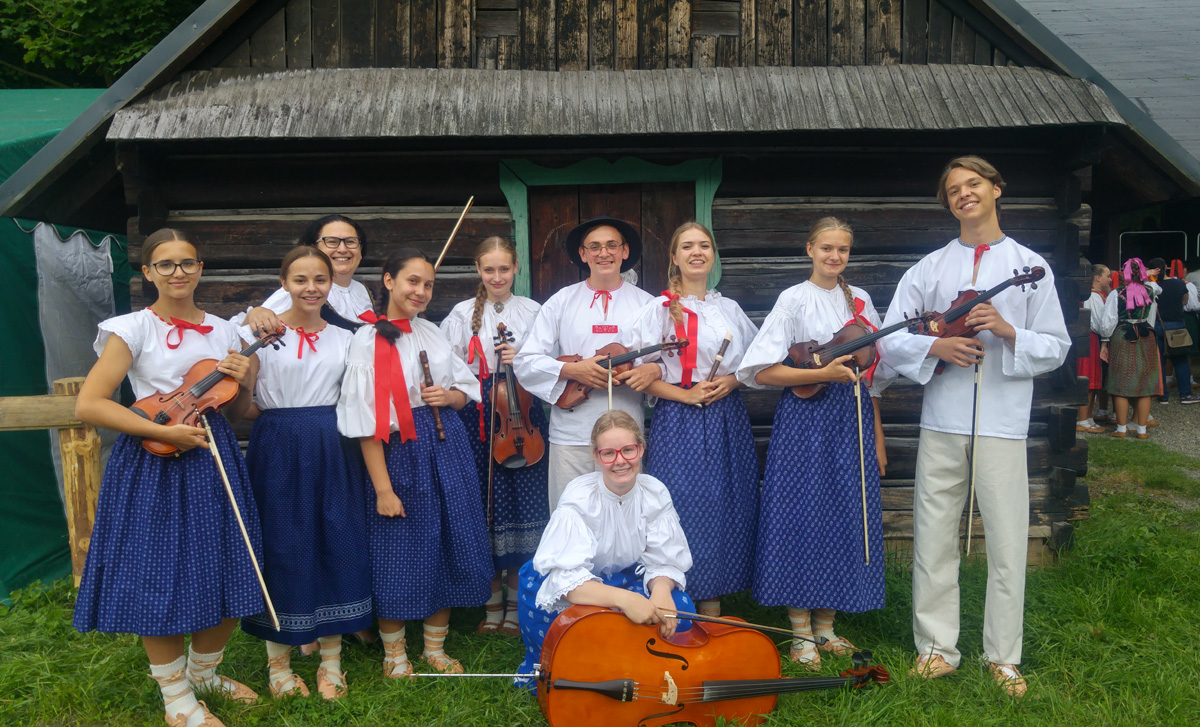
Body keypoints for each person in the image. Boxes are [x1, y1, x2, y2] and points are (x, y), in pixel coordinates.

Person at [878, 156, 1070, 698]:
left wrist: (1010, 332)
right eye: (955, 189)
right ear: (948, 202)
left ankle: (1002, 655)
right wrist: (934, 345)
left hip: (1004, 423)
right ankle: (936, 650)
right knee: (934, 536)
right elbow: (891, 338)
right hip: (943, 418)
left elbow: (1056, 346)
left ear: (996, 189)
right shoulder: (929, 269)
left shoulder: (1031, 266)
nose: (965, 194)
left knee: (1008, 541)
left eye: (974, 185)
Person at [73, 228, 264, 727]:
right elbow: (89, 404)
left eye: (187, 263)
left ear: (201, 269)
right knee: (157, 576)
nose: (178, 273)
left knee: (228, 563)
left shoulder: (226, 331)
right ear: (148, 272)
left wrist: (248, 378)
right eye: (166, 264)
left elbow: (239, 411)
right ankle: (176, 698)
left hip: (213, 452)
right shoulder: (131, 328)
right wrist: (164, 433)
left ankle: (204, 672)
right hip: (154, 458)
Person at [736, 217, 891, 669]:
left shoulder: (860, 300)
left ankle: (826, 626)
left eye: (842, 249)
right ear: (809, 249)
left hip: (854, 419)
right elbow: (760, 372)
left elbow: (873, 376)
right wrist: (821, 374)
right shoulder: (793, 299)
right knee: (801, 513)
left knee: (846, 509)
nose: (834, 257)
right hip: (806, 419)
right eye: (826, 248)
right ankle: (799, 629)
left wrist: (878, 434)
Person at [337, 248, 492, 677]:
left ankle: (435, 649)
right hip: (398, 454)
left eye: (427, 284)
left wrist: (451, 396)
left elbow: (464, 387)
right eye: (411, 281)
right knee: (399, 547)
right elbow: (367, 425)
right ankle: (394, 654)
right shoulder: (366, 340)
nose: (420, 291)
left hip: (446, 446)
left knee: (445, 537)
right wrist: (384, 489)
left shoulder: (433, 332)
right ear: (388, 281)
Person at [238, 246, 372, 700]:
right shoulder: (259, 335)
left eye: (320, 279)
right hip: (277, 443)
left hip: (333, 444)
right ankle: (279, 665)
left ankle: (330, 662)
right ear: (284, 284)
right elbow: (243, 407)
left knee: (338, 539)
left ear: (331, 283)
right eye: (300, 279)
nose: (311, 288)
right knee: (284, 545)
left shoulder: (346, 337)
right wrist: (242, 369)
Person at [627, 222, 759, 619]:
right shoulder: (658, 309)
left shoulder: (728, 308)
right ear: (674, 257)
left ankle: (717, 600)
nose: (696, 252)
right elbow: (639, 371)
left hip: (727, 417)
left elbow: (756, 361)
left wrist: (733, 381)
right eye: (687, 246)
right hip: (679, 418)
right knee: (685, 505)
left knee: (728, 503)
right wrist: (685, 393)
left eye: (704, 245)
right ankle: (686, 601)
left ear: (713, 255)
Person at [514, 410, 694, 691]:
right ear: (596, 457)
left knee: (679, 611)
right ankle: (582, 677)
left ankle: (637, 669)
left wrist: (660, 592)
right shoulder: (580, 496)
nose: (620, 461)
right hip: (572, 586)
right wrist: (626, 601)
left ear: (641, 449)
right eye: (609, 453)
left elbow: (664, 558)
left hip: (621, 577)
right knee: (576, 630)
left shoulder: (654, 492)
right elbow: (567, 581)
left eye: (628, 450)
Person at [440, 236, 550, 635]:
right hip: (479, 420)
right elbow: (447, 366)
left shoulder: (534, 311)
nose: (498, 276)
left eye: (504, 269)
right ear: (478, 271)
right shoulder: (460, 313)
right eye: (490, 269)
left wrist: (521, 361)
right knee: (483, 505)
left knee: (524, 505)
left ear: (516, 268)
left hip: (523, 418)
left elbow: (549, 365)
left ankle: (517, 603)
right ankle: (491, 606)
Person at [513, 217, 660, 509]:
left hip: (625, 432)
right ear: (583, 255)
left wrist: (653, 370)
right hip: (572, 432)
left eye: (611, 246)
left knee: (624, 513)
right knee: (571, 512)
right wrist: (572, 369)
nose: (603, 253)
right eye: (594, 247)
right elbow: (526, 362)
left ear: (625, 251)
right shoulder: (561, 301)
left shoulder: (648, 305)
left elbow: (663, 362)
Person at [243, 214, 373, 335]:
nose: (343, 249)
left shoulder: (367, 292)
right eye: (332, 242)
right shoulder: (298, 293)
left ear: (360, 249)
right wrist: (255, 313)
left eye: (350, 242)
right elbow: (247, 333)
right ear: (314, 248)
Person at [1097, 258, 1163, 437]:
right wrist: (1147, 276)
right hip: (1146, 335)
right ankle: (1141, 430)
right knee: (1145, 384)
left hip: (1123, 336)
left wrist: (1105, 342)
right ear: (1142, 272)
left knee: (1120, 383)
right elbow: (1158, 288)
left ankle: (1121, 429)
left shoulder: (1116, 294)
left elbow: (1108, 321)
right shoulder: (1151, 290)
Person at [1153, 259, 1199, 405]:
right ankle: (1185, 394)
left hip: (1158, 324)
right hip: (1176, 325)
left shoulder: (1153, 286)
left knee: (1159, 361)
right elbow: (1185, 302)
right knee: (1181, 360)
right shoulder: (1179, 283)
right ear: (1166, 268)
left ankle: (1162, 395)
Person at [1076, 264, 1112, 431]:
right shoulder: (1093, 296)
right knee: (1088, 379)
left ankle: (1088, 418)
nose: (1110, 279)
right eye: (1107, 276)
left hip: (1092, 338)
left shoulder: (1096, 295)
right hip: (1090, 339)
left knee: (1093, 380)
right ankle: (1082, 420)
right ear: (1098, 278)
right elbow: (1097, 323)